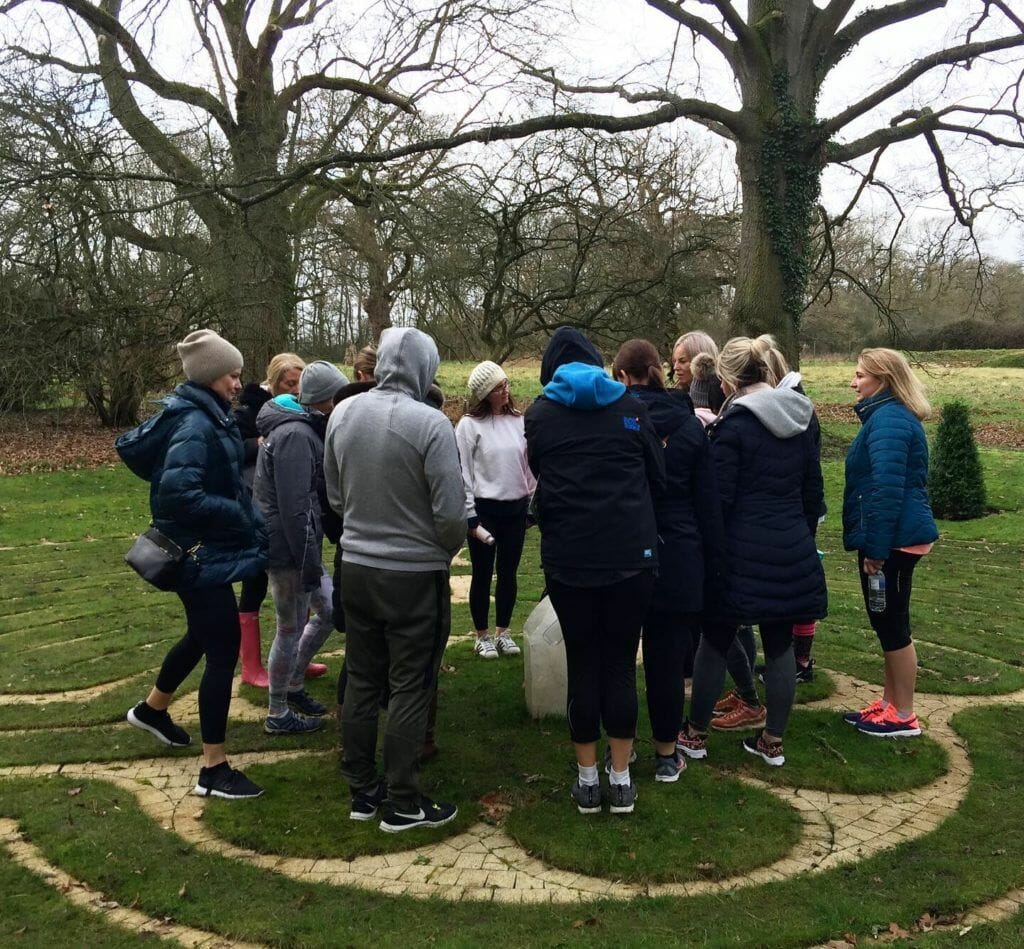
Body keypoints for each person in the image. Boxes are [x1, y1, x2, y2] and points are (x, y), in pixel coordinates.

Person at [324, 327, 465, 832]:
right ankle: (403, 800)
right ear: (426, 369)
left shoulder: (342, 413)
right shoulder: (431, 423)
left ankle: (362, 789)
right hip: (413, 575)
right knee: (411, 683)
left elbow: (334, 496)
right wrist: (439, 550)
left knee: (362, 677)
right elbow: (452, 514)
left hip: (356, 566)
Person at [525, 327, 665, 816]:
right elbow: (658, 475)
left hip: (569, 559)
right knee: (620, 665)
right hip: (630, 557)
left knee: (583, 664)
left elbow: (539, 470)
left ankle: (587, 781)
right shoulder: (631, 407)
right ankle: (620, 779)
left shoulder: (539, 415)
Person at [121, 329, 267, 799]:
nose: (237, 383)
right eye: (231, 375)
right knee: (222, 650)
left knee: (202, 636)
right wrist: (238, 513)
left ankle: (152, 709)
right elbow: (178, 495)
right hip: (195, 555)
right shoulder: (194, 424)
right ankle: (213, 769)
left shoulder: (205, 414)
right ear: (209, 375)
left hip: (200, 552)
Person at [676, 336, 826, 767]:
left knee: (715, 639)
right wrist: (800, 539)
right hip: (791, 544)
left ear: (727, 380)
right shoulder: (803, 420)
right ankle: (772, 741)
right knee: (780, 644)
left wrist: (712, 554)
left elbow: (718, 500)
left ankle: (695, 735)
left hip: (739, 553)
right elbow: (812, 493)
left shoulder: (734, 427)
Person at [611, 339, 719, 784]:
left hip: (627, 548)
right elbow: (707, 502)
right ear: (659, 370)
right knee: (667, 660)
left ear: (621, 376)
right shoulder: (690, 425)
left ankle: (621, 749)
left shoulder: (615, 422)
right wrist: (714, 561)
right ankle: (666, 753)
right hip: (680, 549)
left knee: (619, 659)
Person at [841, 348, 938, 738]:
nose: (853, 382)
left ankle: (903, 716)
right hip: (892, 538)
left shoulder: (890, 422)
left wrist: (876, 551)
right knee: (886, 623)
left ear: (883, 379)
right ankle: (888, 704)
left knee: (893, 626)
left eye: (860, 375)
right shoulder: (885, 417)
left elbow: (886, 491)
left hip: (894, 542)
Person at [253, 360, 348, 735]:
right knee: (290, 626)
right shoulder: (295, 434)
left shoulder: (303, 427)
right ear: (325, 398)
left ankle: (292, 684)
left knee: (328, 610)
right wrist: (307, 560)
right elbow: (295, 507)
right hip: (288, 549)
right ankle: (277, 712)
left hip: (299, 544)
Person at [233, 352, 329, 688]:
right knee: (255, 586)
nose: (297, 389)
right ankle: (251, 665)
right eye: (290, 383)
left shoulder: (299, 418)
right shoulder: (251, 413)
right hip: (255, 510)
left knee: (299, 594)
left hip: (277, 512)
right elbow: (231, 449)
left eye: (300, 382)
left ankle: (293, 657)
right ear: (274, 384)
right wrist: (258, 443)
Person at [455, 360, 536, 660]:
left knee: (508, 573)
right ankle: (482, 635)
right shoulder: (468, 425)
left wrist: (531, 505)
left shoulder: (519, 421)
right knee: (482, 573)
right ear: (484, 394)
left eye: (506, 384)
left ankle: (503, 631)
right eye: (498, 387)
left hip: (515, 508)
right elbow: (463, 473)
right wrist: (470, 515)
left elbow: (528, 466)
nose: (506, 391)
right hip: (484, 511)